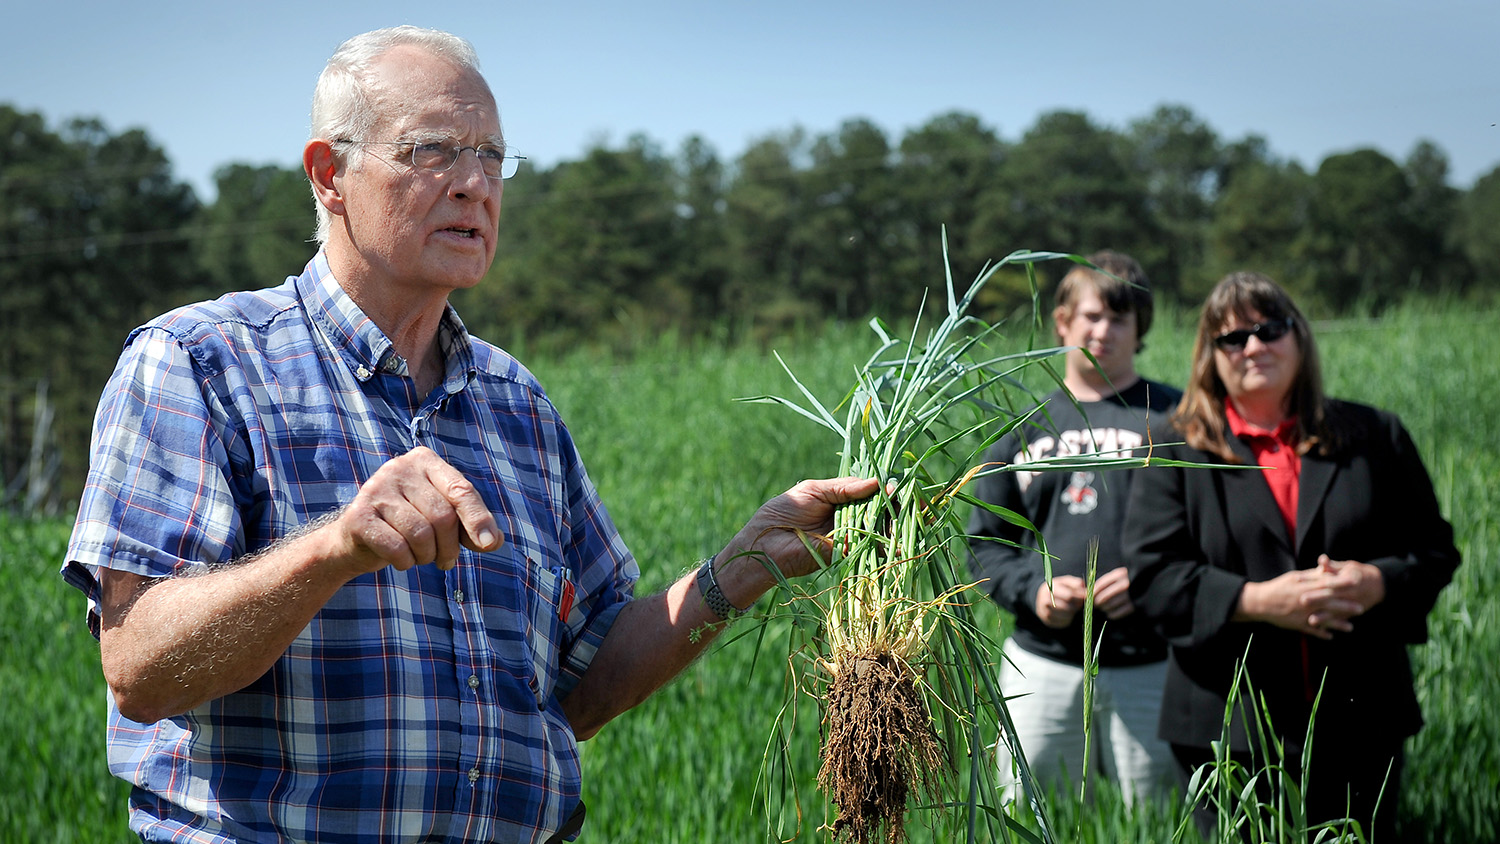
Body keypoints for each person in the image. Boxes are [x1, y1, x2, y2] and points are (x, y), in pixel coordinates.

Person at [61, 26, 878, 844]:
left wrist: (743, 565)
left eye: (491, 155)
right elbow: (140, 668)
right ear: (329, 174)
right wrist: (333, 550)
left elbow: (581, 685)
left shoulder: (515, 404)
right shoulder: (201, 365)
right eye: (431, 151)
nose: (473, 184)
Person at [1123, 271, 1460, 839]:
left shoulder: (1375, 434)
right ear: (1211, 356)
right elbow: (1152, 578)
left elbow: (1434, 551)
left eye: (1269, 328)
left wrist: (1376, 582)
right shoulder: (1173, 448)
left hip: (1361, 717)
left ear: (1299, 336)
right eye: (1232, 338)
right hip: (1227, 729)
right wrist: (1255, 600)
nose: (1253, 346)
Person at [966, 251, 1179, 804]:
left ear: (1140, 330)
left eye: (1119, 318)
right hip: (1042, 664)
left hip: (1152, 663)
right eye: (1090, 316)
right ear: (1062, 321)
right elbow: (985, 547)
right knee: (1032, 816)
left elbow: (1213, 536)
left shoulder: (1178, 420)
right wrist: (1033, 592)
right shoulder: (1018, 428)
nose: (1103, 330)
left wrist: (1154, 582)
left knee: (1158, 821)